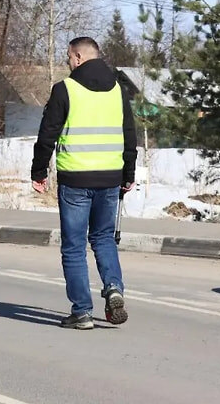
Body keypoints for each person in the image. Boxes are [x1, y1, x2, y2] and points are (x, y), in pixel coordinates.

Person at [30, 36, 137, 330]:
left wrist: (39, 172)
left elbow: (47, 133)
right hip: (111, 178)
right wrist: (129, 173)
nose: (67, 62)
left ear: (78, 57)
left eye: (68, 57)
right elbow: (130, 135)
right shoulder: (118, 89)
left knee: (74, 247)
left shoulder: (66, 89)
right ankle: (114, 287)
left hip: (75, 180)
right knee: (103, 238)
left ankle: (82, 312)